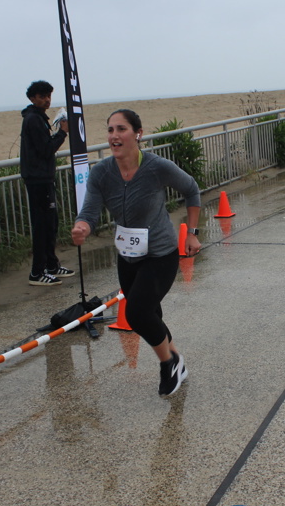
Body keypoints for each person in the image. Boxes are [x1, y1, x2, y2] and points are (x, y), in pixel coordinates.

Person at [70, 109, 201, 397]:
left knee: (137, 313)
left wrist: (192, 233)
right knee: (150, 313)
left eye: (121, 129)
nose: (114, 136)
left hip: (161, 254)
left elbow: (192, 189)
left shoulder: (156, 167)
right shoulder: (101, 172)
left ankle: (168, 365)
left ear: (138, 134)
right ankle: (176, 358)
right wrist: (82, 227)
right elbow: (89, 212)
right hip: (128, 256)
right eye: (110, 130)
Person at [20, 80, 76, 286]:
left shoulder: (39, 118)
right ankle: (37, 272)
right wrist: (62, 132)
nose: (47, 100)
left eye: (49, 96)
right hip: (38, 180)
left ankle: (51, 265)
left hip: (43, 178)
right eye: (42, 96)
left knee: (51, 223)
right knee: (42, 225)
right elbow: (45, 150)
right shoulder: (33, 120)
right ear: (33, 98)